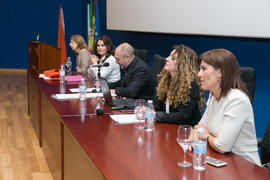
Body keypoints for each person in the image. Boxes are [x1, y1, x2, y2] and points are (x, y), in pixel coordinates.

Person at [196, 49, 261, 166]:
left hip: (245, 169)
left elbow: (222, 146)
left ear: (221, 72)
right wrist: (203, 133)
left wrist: (205, 134)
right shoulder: (213, 95)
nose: (199, 74)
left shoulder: (237, 100)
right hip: (222, 162)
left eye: (204, 69)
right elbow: (199, 127)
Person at [153, 45, 205, 126]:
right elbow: (157, 106)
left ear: (182, 64)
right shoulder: (165, 79)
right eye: (169, 56)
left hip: (186, 132)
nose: (166, 59)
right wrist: (147, 109)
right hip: (169, 127)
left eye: (173, 58)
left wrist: (156, 115)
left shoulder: (191, 85)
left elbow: (182, 117)